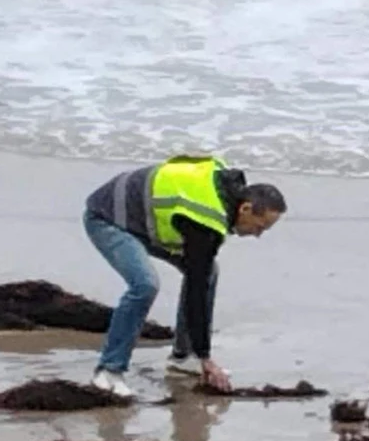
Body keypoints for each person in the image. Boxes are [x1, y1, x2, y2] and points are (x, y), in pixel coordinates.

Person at [82, 154, 286, 398]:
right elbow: (195, 290)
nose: (257, 235)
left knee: (209, 270)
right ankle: (108, 371)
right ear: (245, 208)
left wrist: (200, 355)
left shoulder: (224, 196)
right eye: (259, 226)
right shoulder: (205, 218)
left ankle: (182, 357)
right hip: (108, 218)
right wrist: (206, 358)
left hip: (145, 220)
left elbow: (199, 274)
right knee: (145, 285)